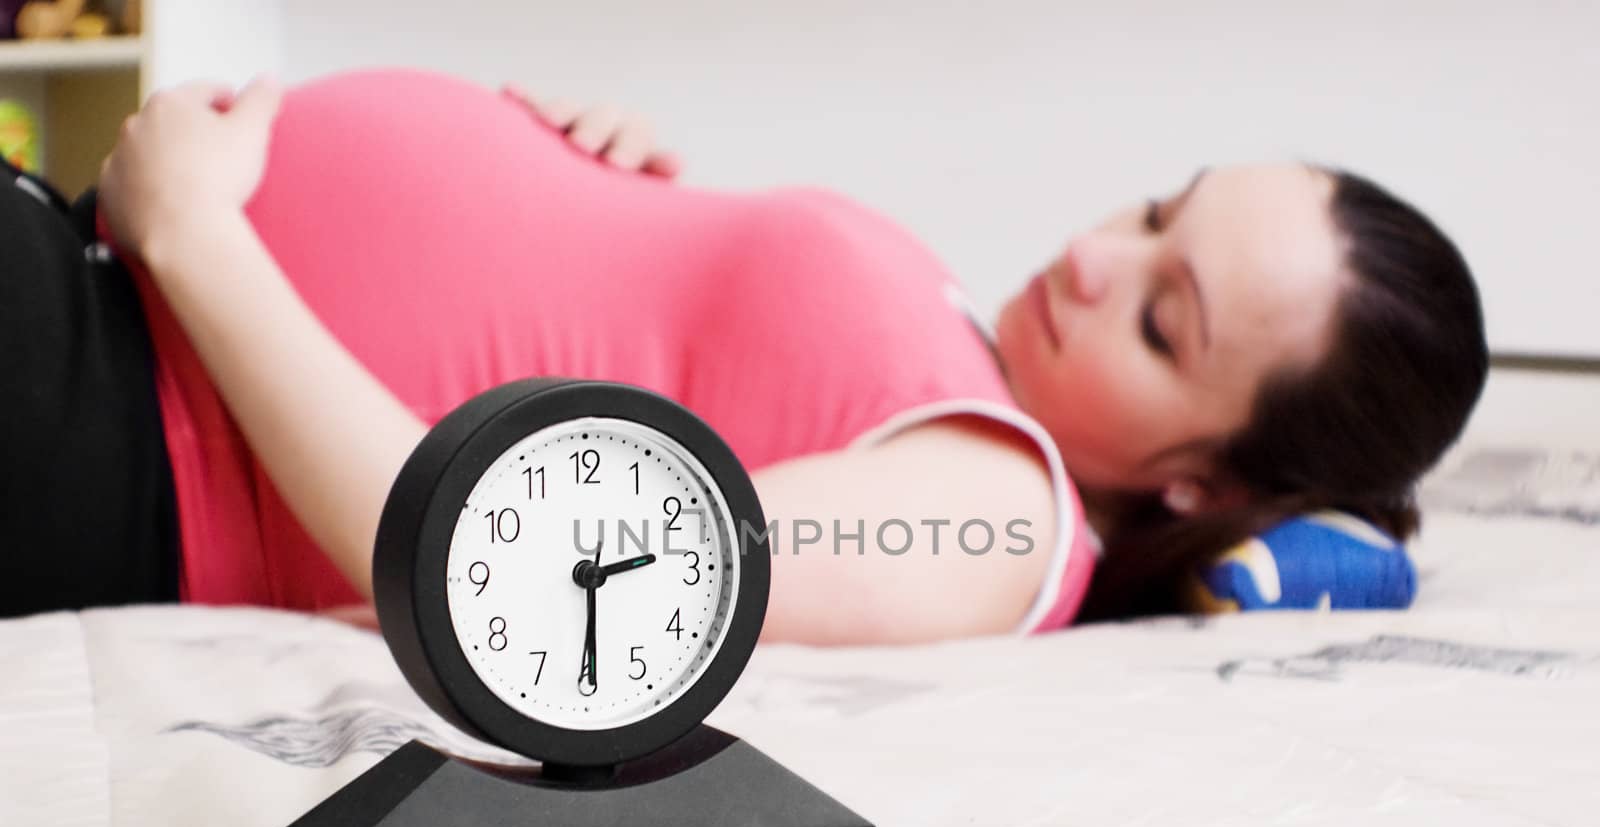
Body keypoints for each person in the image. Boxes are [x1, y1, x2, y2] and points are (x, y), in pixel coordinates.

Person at [8, 68, 1487, 644]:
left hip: (111, 428)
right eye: (1161, 214)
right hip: (87, 299)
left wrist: (200, 231)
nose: (1099, 259)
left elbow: (506, 590)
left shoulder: (996, 522)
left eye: (1164, 324)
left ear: (1198, 483)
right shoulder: (971, 357)